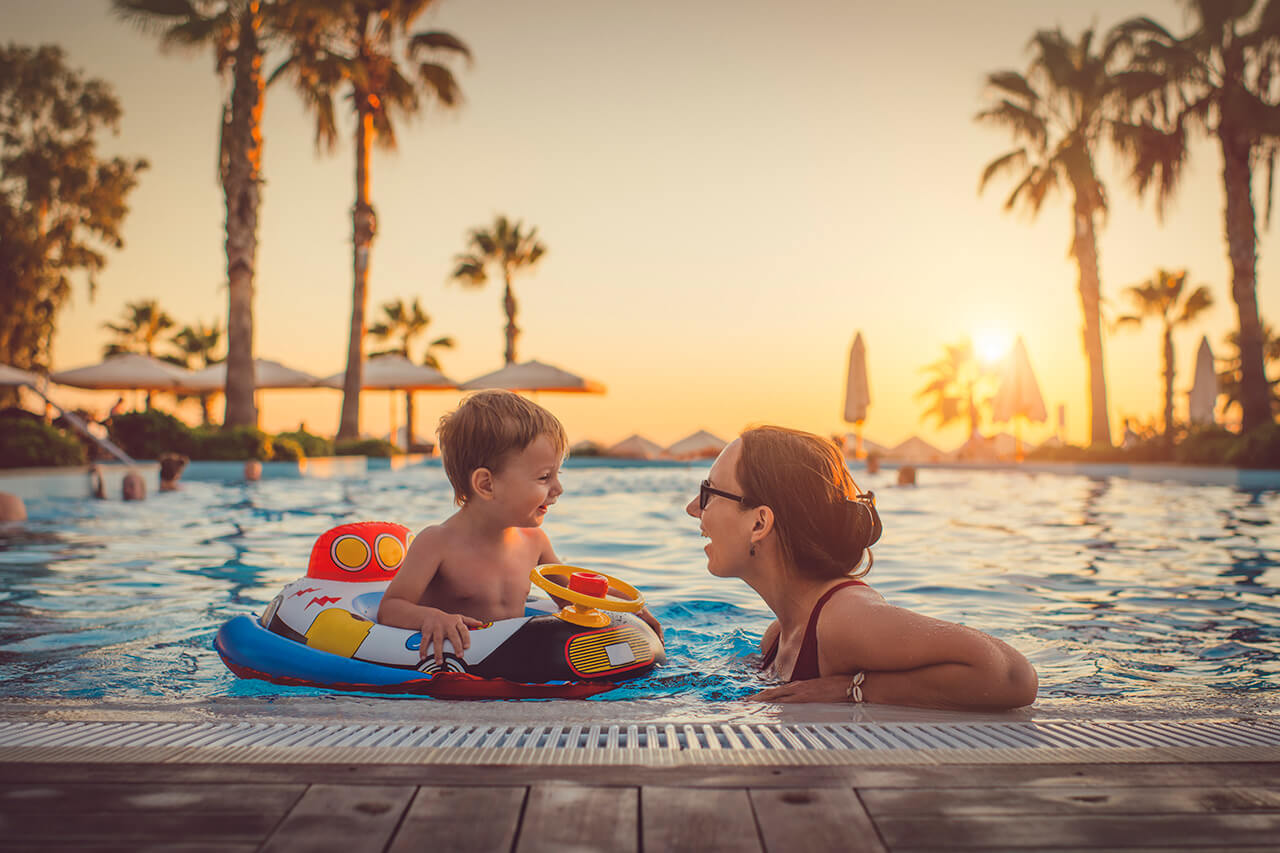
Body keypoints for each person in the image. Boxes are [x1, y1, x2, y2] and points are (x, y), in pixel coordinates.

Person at [687, 425, 1037, 709]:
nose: (693, 508)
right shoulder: (777, 637)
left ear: (759, 523)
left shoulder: (842, 620)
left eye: (709, 493)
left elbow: (1010, 675)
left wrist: (855, 689)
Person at [378, 390, 661, 668]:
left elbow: (571, 597)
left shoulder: (535, 541)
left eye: (557, 475)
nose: (558, 489)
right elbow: (391, 607)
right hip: (464, 669)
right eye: (544, 477)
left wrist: (625, 607)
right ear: (487, 485)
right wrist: (431, 617)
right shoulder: (437, 542)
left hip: (517, 664)